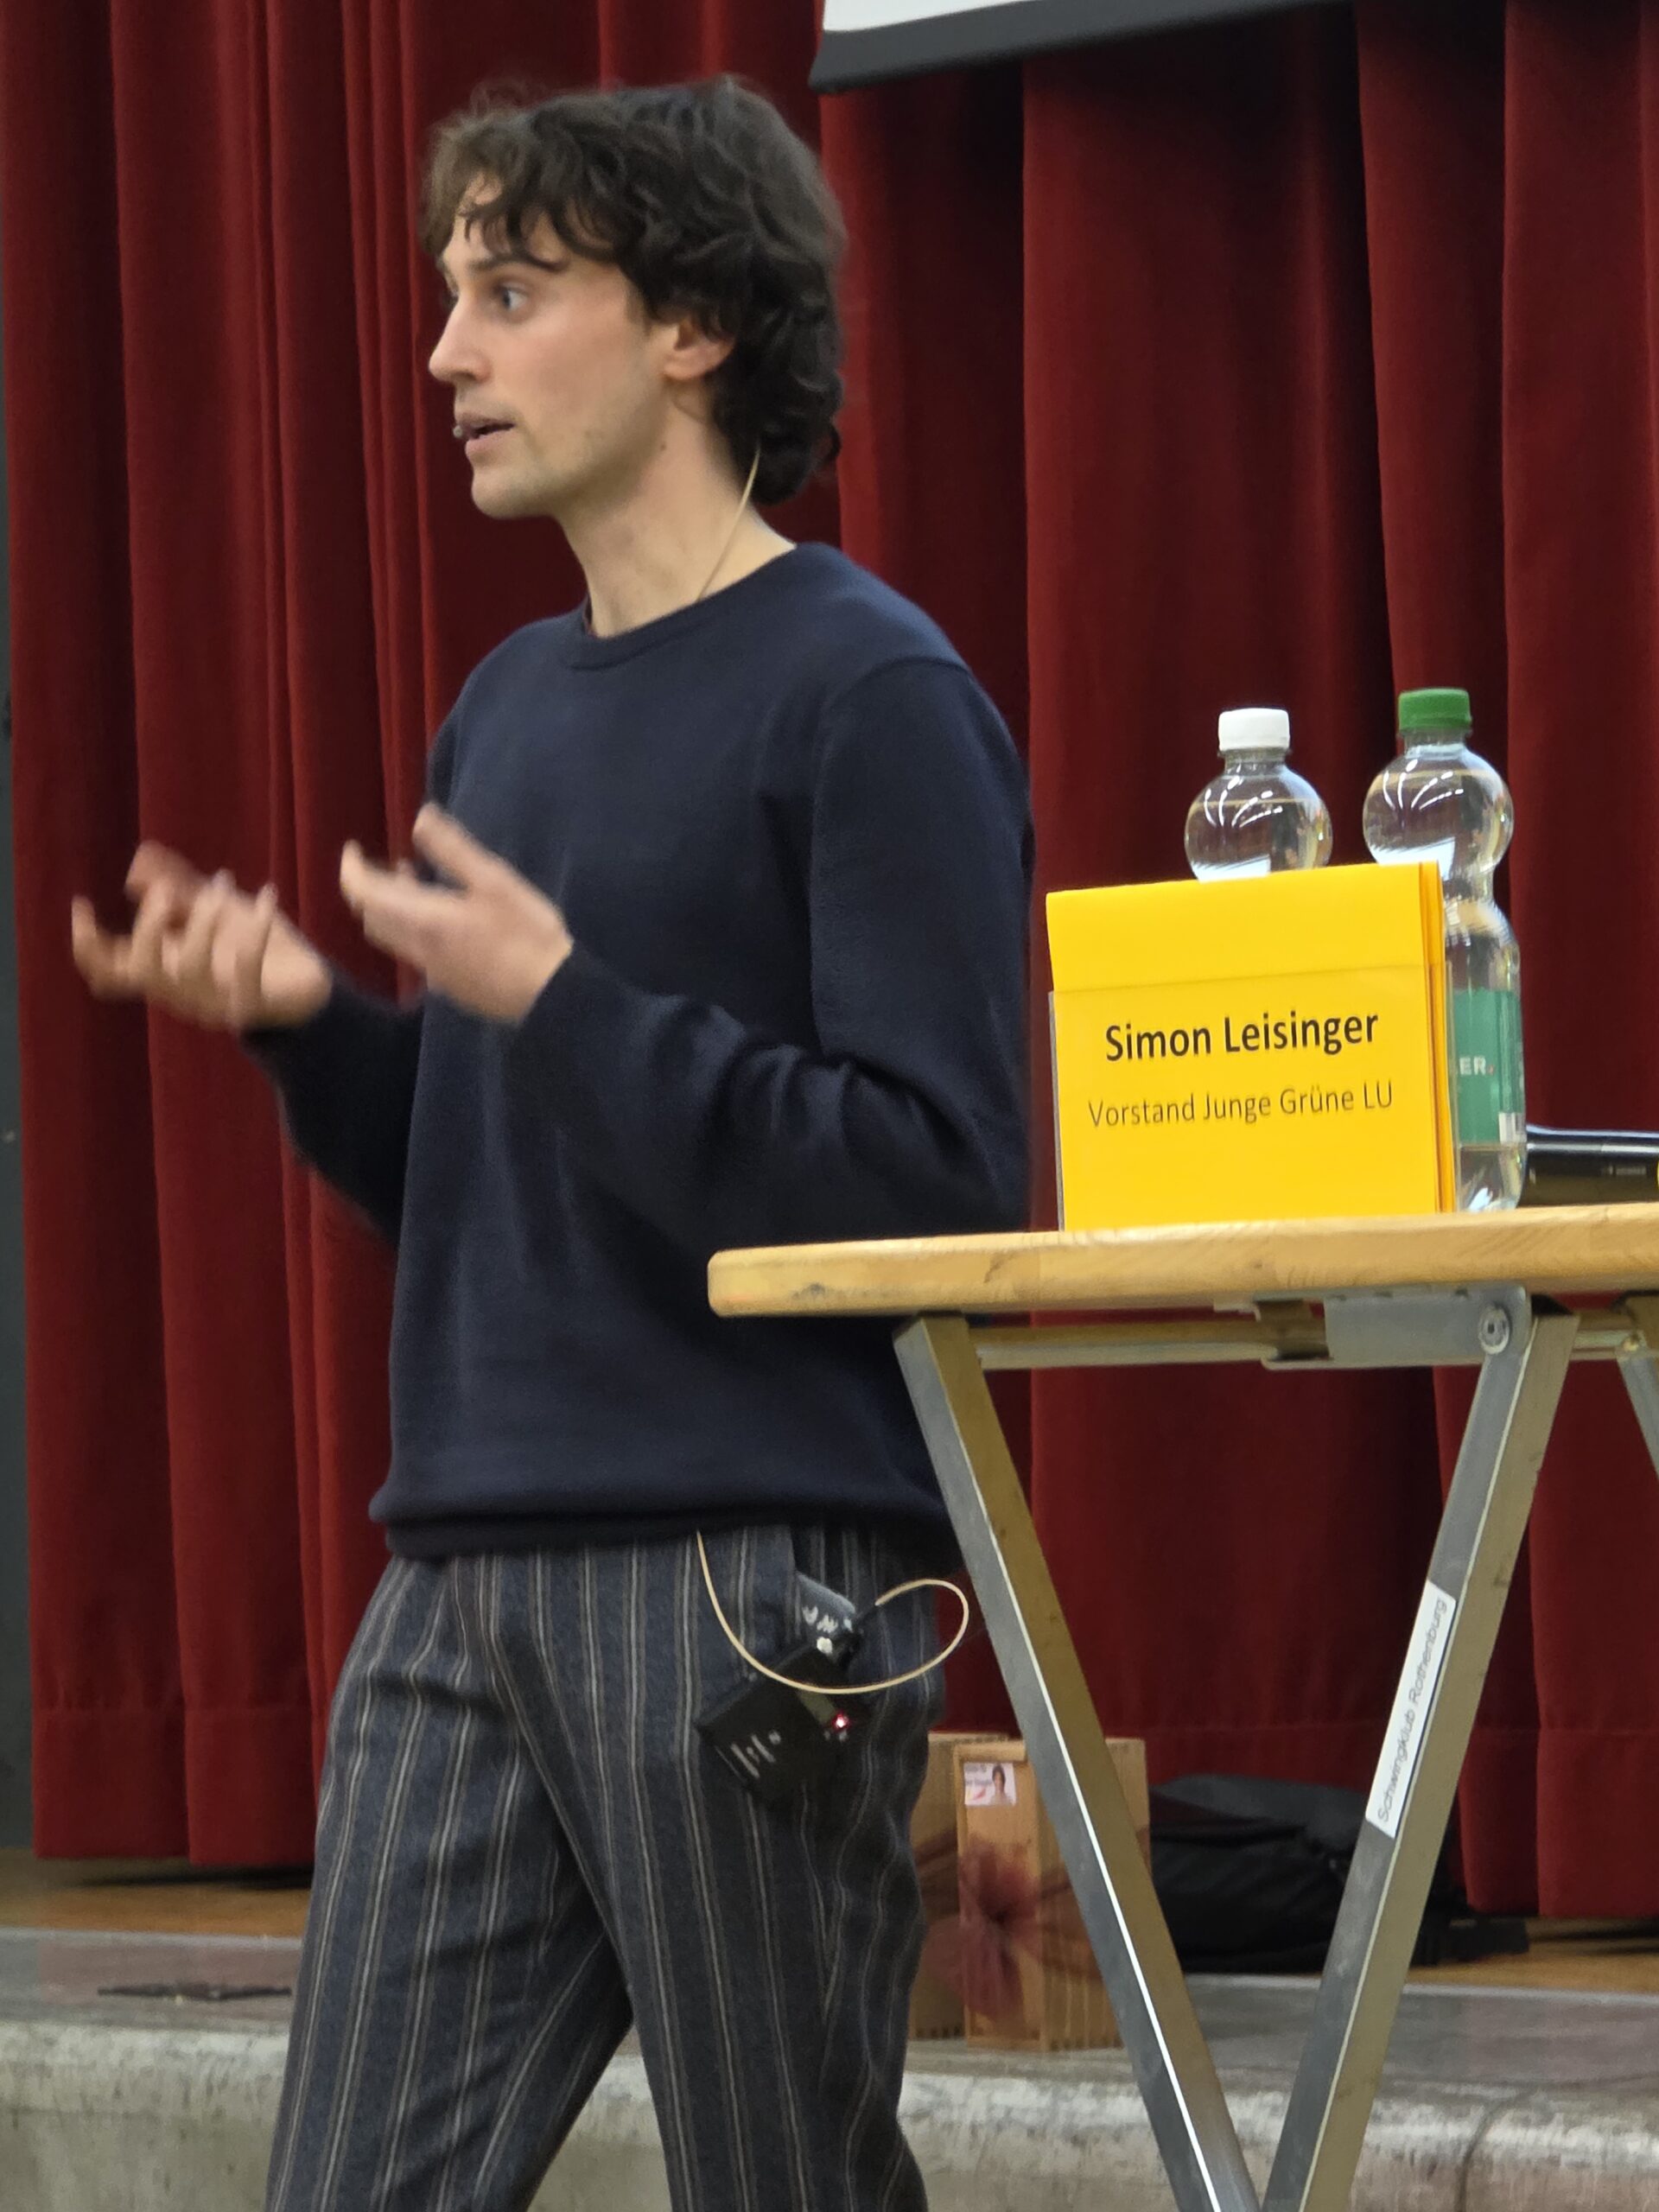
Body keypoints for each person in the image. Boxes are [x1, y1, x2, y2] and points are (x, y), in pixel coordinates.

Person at [72, 76, 1031, 2212]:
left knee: (781, 2180)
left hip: (748, 1579)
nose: (446, 354)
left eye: (510, 292)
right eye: (449, 296)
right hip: (461, 1574)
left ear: (692, 323)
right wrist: (312, 1024)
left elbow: (942, 1175)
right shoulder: (507, 703)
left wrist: (569, 1000)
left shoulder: (871, 692)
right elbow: (498, 1184)